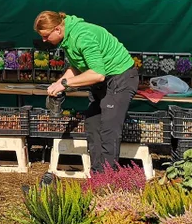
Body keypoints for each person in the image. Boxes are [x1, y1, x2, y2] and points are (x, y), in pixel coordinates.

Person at [35, 10, 138, 174]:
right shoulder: (68, 37)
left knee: (109, 129)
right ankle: (97, 175)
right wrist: (58, 83)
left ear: (57, 30)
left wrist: (65, 83)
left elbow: (97, 74)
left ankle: (108, 178)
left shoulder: (82, 35)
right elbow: (77, 66)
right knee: (92, 124)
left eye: (46, 35)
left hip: (121, 78)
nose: (44, 40)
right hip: (103, 82)